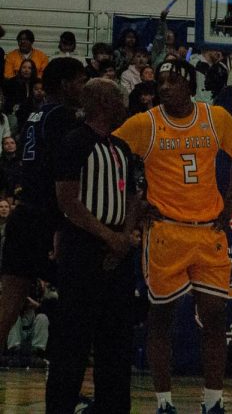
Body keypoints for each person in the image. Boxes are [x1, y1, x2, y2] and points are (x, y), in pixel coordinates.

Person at [113, 60, 232, 414]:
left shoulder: (215, 117)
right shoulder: (145, 122)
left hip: (209, 231)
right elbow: (110, 155)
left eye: (172, 81)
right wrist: (137, 199)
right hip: (167, 231)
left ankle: (214, 401)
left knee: (216, 315)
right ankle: (164, 402)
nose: (165, 87)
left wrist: (230, 206)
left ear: (189, 84)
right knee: (161, 318)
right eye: (161, 82)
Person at [44, 78, 140, 413]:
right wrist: (110, 237)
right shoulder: (74, 142)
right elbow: (68, 201)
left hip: (118, 250)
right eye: (119, 98)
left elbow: (132, 197)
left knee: (117, 340)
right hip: (82, 248)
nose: (125, 105)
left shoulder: (122, 148)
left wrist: (125, 238)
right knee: (73, 338)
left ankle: (113, 407)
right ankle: (60, 406)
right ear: (101, 103)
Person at [0, 58, 87, 358]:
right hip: (45, 218)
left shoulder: (36, 114)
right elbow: (62, 172)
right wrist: (61, 226)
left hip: (23, 214)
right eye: (80, 80)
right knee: (78, 294)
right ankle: (69, 368)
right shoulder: (63, 116)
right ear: (65, 84)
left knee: (9, 301)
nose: (83, 86)